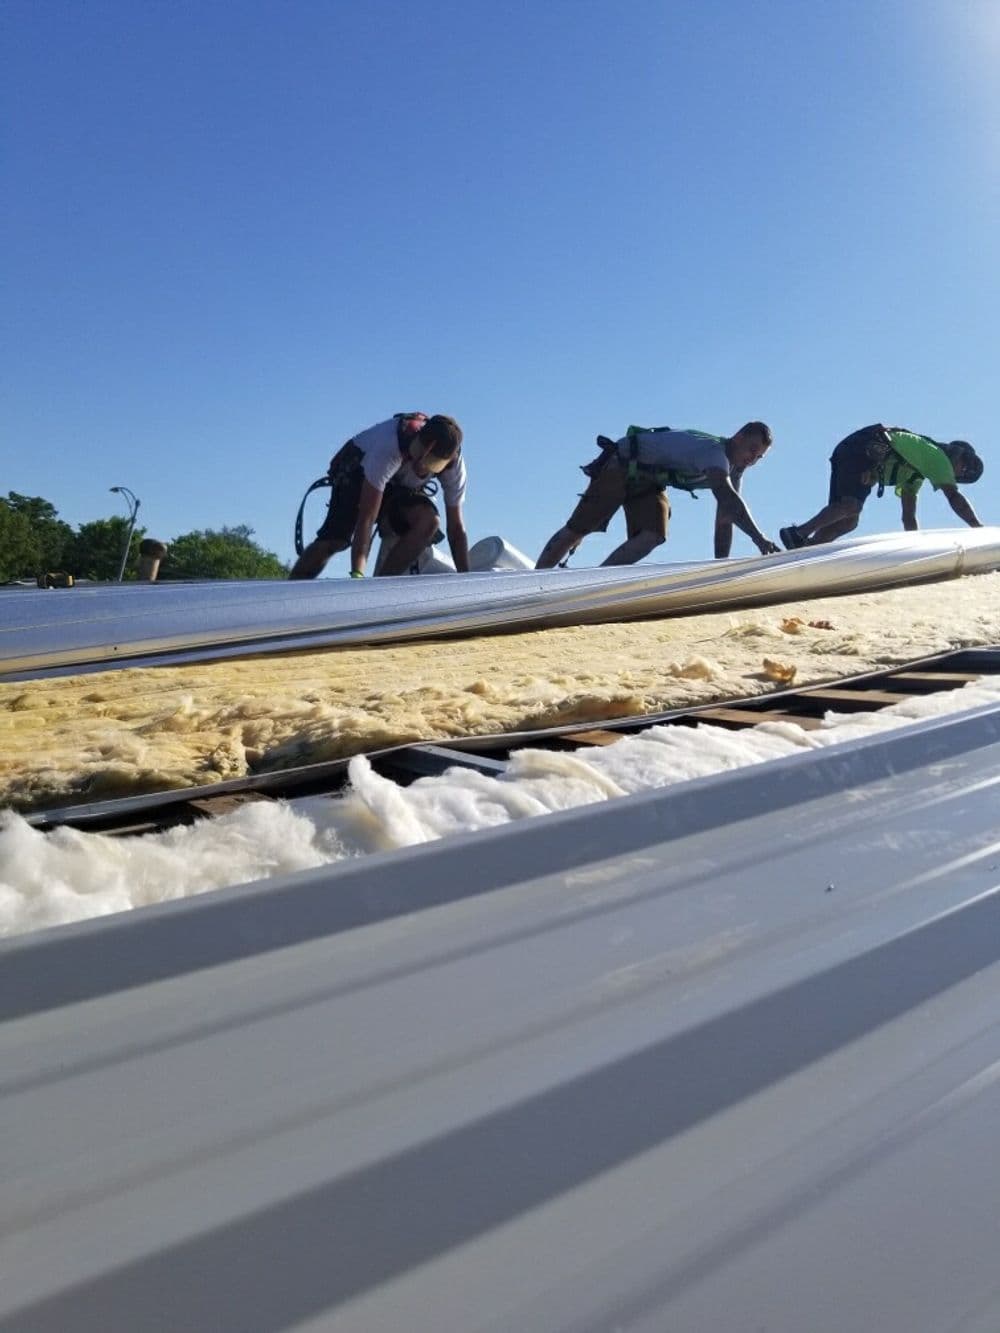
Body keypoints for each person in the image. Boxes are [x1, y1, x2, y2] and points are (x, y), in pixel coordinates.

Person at [535, 421, 779, 568]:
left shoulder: (734, 470)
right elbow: (729, 501)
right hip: (622, 463)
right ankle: (536, 579)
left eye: (759, 457)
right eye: (751, 450)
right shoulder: (714, 453)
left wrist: (720, 567)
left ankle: (594, 582)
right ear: (738, 437)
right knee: (580, 528)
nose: (752, 459)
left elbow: (726, 518)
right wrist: (759, 539)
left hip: (649, 479)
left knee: (653, 534)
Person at [290, 412, 469, 579]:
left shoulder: (454, 470)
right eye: (417, 453)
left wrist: (466, 580)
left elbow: (456, 530)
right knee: (335, 540)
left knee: (427, 521)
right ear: (416, 438)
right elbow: (366, 519)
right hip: (357, 475)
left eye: (431, 463)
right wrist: (357, 574)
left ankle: (382, 586)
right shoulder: (388, 445)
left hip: (399, 488)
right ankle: (290, 589)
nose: (420, 466)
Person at [779, 425, 984, 549]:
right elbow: (954, 498)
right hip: (861, 449)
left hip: (853, 452)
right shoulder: (937, 457)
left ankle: (806, 551)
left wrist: (915, 546)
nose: (960, 472)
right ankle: (798, 533)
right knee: (851, 506)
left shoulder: (916, 474)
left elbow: (908, 516)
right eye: (964, 467)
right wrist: (978, 529)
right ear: (958, 455)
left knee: (848, 521)